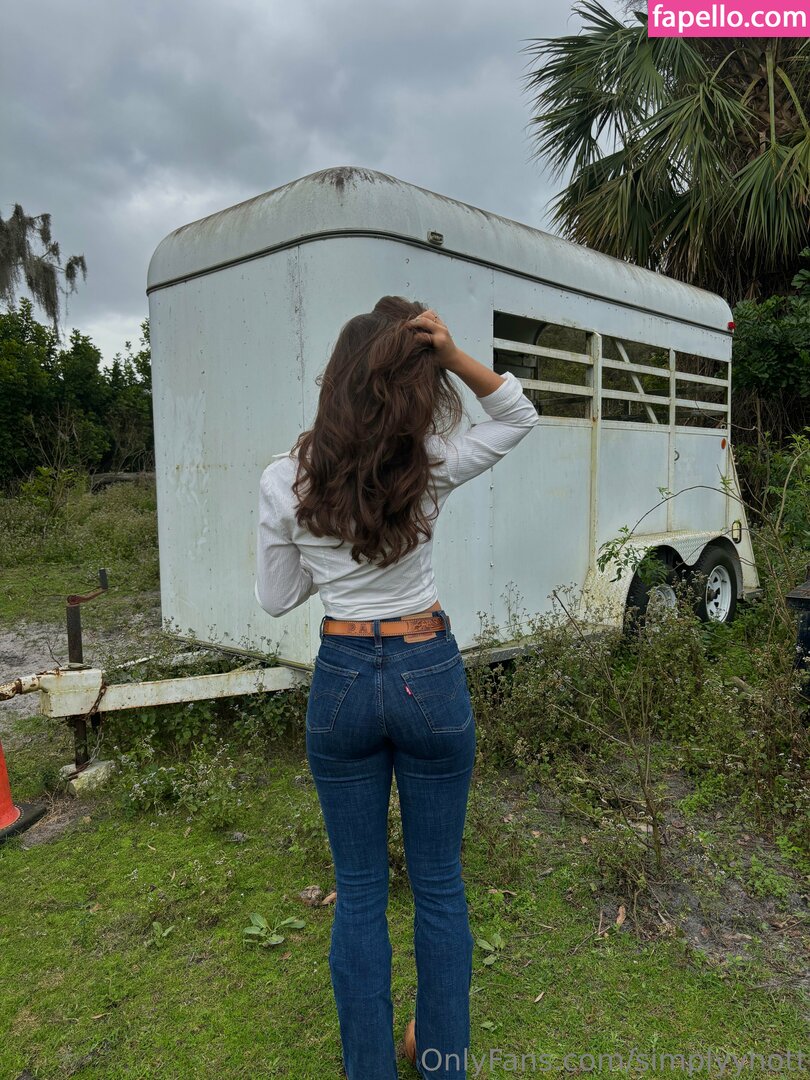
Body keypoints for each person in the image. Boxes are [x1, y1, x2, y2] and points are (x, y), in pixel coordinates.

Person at [254, 296, 540, 1078]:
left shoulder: (285, 478)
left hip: (343, 676)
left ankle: (370, 1068)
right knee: (439, 884)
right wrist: (451, 353)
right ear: (410, 382)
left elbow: (276, 598)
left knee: (358, 890)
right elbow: (518, 415)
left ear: (335, 381)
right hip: (426, 669)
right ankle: (442, 1062)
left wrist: (330, 558)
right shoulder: (428, 463)